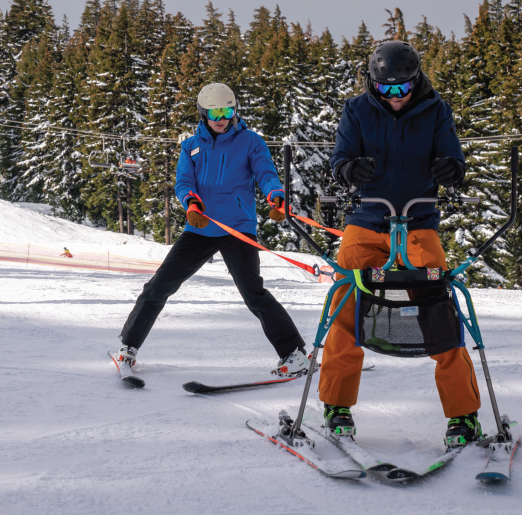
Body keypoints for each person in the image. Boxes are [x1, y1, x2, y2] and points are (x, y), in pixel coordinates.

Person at [319, 41, 479, 447]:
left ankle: (463, 414)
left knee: (441, 304)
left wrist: (451, 169)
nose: (395, 98)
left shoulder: (436, 110)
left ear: (416, 81)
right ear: (372, 84)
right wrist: (349, 169)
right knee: (344, 303)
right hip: (368, 221)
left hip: (418, 224)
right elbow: (339, 161)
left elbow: (453, 159)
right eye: (386, 90)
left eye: (402, 89)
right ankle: (336, 405)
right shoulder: (357, 110)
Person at [115, 83, 311, 377]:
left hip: (238, 228)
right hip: (201, 226)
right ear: (203, 113)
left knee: (254, 294)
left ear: (234, 111)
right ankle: (128, 346)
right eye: (215, 112)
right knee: (158, 286)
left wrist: (276, 196)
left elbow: (266, 174)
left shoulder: (250, 142)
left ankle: (295, 355)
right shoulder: (191, 145)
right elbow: (184, 183)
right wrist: (191, 204)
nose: (221, 117)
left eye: (227, 111)